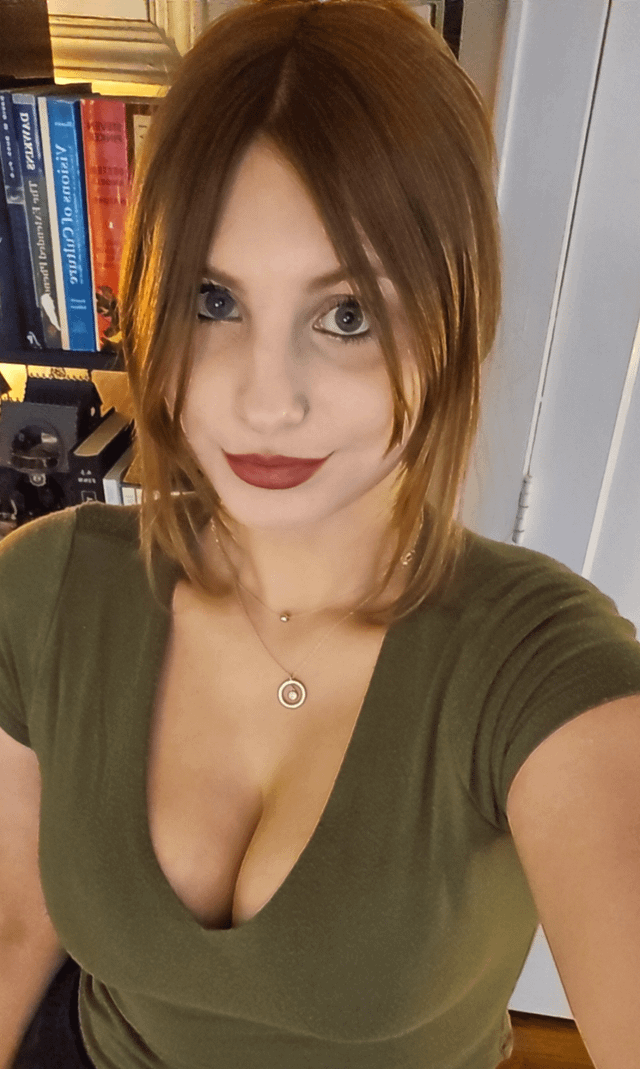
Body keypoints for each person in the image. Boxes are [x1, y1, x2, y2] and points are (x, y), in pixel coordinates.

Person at [2, 1, 640, 1067]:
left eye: (346, 315)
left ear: (454, 324)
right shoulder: (45, 589)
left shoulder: (543, 666)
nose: (266, 399)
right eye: (213, 300)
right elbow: (15, 927)